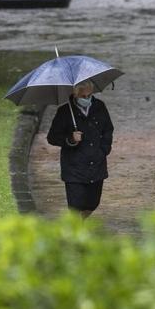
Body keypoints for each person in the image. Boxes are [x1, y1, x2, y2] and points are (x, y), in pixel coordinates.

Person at [46, 80, 114, 218]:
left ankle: (81, 224)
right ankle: (76, 232)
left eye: (90, 95)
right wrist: (70, 139)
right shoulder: (64, 112)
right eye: (83, 96)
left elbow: (108, 130)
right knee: (75, 205)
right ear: (75, 95)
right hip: (74, 168)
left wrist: (103, 150)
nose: (87, 99)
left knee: (92, 203)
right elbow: (52, 137)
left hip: (96, 165)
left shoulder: (100, 107)